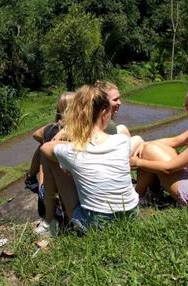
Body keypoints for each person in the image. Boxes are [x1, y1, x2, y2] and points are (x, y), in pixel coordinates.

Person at [41, 85, 141, 234]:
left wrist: (67, 133)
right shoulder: (122, 141)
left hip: (96, 225)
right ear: (105, 111)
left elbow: (45, 148)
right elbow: (136, 140)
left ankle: (50, 221)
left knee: (52, 160)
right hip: (132, 215)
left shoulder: (72, 149)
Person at [24, 92, 75, 231]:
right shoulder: (79, 132)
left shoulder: (50, 129)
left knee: (44, 150)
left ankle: (30, 177)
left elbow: (35, 135)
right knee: (47, 151)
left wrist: (46, 141)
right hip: (72, 194)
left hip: (46, 197)